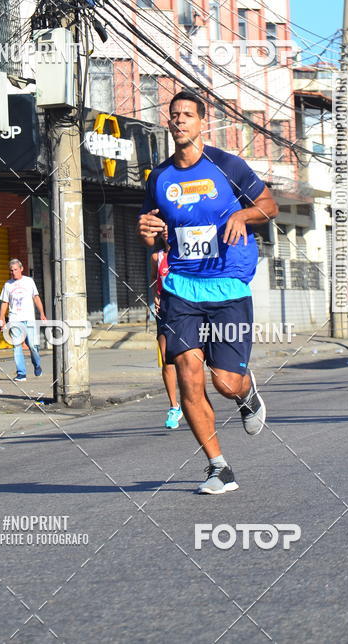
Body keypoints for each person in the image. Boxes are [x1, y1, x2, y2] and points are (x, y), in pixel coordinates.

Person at [137, 90, 278, 495]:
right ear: (169, 123)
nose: (180, 120)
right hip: (181, 286)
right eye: (174, 115)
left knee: (225, 383)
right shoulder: (159, 177)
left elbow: (269, 205)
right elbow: (152, 229)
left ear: (202, 122)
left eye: (188, 115)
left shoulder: (228, 165)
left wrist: (241, 213)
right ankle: (218, 467)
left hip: (228, 284)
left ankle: (246, 393)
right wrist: (147, 232)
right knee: (188, 376)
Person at [150, 241, 183, 429]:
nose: (165, 230)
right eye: (162, 227)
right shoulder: (157, 257)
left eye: (168, 226)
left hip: (188, 312)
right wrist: (155, 296)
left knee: (189, 359)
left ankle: (193, 399)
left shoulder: (187, 254)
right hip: (164, 311)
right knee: (166, 358)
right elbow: (154, 280)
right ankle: (174, 406)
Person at [0, 258, 47, 380]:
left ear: (21, 269)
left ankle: (37, 365)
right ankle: (21, 373)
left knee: (33, 346)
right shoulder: (7, 285)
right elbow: (4, 303)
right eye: (11, 270)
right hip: (14, 319)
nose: (13, 272)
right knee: (17, 346)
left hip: (29, 318)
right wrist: (1, 318)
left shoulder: (29, 281)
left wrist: (42, 313)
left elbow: (36, 298)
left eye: (15, 269)